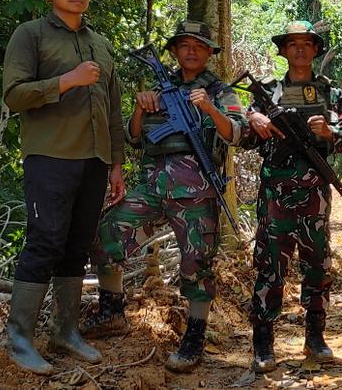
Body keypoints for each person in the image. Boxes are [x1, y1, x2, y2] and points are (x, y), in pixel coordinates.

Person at [82, 20, 245, 372]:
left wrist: (210, 109)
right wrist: (141, 108)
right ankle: (112, 311)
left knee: (197, 264)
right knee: (107, 230)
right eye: (184, 45)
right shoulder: (159, 87)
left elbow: (237, 133)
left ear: (209, 53)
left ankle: (194, 337)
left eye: (199, 46)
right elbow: (134, 137)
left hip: (196, 193)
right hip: (153, 188)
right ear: (173, 51)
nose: (191, 51)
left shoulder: (220, 91)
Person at [1, 0, 126, 374]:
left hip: (94, 159)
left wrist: (116, 164)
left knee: (77, 245)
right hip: (50, 156)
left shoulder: (101, 43)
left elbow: (112, 108)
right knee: (45, 241)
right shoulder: (30, 34)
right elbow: (14, 95)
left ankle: (65, 331)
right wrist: (67, 80)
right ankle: (19, 338)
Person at [243, 21, 342, 372]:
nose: (301, 49)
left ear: (316, 49)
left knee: (317, 264)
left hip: (315, 195)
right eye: (293, 44)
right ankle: (263, 341)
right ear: (283, 50)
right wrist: (254, 119)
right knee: (269, 265)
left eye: (307, 43)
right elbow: (245, 137)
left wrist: (330, 132)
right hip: (275, 194)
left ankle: (315, 336)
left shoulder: (331, 93)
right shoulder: (267, 92)